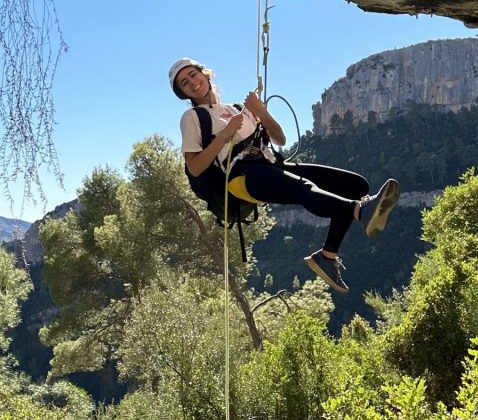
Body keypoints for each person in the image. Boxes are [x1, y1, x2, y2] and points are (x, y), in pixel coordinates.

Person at [169, 58, 400, 293]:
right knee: (304, 188)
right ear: (183, 92)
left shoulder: (238, 109)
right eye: (184, 83)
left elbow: (279, 139)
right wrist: (225, 135)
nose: (192, 83)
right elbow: (196, 167)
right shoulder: (193, 118)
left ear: (205, 74)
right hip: (241, 177)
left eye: (192, 75)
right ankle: (360, 211)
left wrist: (261, 113)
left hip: (269, 164)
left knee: (354, 185)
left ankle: (327, 256)